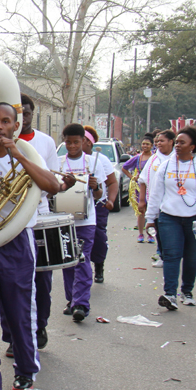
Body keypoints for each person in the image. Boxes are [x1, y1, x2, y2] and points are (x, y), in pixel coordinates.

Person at [0, 102, 59, 390]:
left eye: (6, 122)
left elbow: (52, 186)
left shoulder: (26, 156)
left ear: (15, 126)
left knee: (20, 312)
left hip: (17, 241)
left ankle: (25, 368)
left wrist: (18, 155)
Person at [6, 93, 59, 352]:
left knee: (40, 280)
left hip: (38, 216)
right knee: (8, 282)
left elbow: (52, 182)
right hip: (7, 219)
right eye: (18, 113)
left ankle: (39, 327)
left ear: (31, 113)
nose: (22, 118)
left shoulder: (46, 142)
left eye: (26, 113)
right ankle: (13, 336)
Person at [146, 126, 196, 311]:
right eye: (176, 142)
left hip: (194, 220)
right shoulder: (166, 166)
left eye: (181, 143)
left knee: (191, 257)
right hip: (169, 218)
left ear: (192, 146)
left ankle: (187, 292)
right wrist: (150, 218)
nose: (177, 145)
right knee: (171, 255)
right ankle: (170, 294)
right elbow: (156, 193)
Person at [58, 123, 112, 321]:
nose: (72, 146)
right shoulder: (58, 163)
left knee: (82, 260)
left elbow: (100, 195)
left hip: (86, 221)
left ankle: (81, 304)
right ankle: (71, 300)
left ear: (84, 142)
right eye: (68, 142)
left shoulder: (93, 162)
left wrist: (95, 186)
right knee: (67, 262)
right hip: (64, 220)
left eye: (76, 142)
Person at [83, 126, 118, 284]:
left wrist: (110, 200)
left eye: (80, 140)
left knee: (98, 237)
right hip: (76, 205)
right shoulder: (68, 159)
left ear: (89, 143)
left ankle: (99, 265)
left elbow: (112, 182)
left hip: (98, 205)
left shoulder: (101, 160)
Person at [139, 130, 176, 262]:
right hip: (155, 202)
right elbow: (142, 180)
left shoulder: (177, 159)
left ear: (171, 142)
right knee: (159, 230)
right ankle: (161, 254)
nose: (158, 144)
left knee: (170, 232)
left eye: (162, 141)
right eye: (157, 141)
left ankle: (170, 255)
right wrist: (142, 200)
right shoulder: (153, 159)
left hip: (173, 203)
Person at [123, 134, 154, 242]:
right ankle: (140, 234)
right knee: (141, 212)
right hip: (140, 188)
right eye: (143, 144)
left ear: (152, 146)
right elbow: (124, 168)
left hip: (152, 187)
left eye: (147, 144)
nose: (145, 146)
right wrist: (133, 178)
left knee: (151, 211)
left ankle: (151, 234)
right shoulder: (137, 158)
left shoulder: (155, 158)